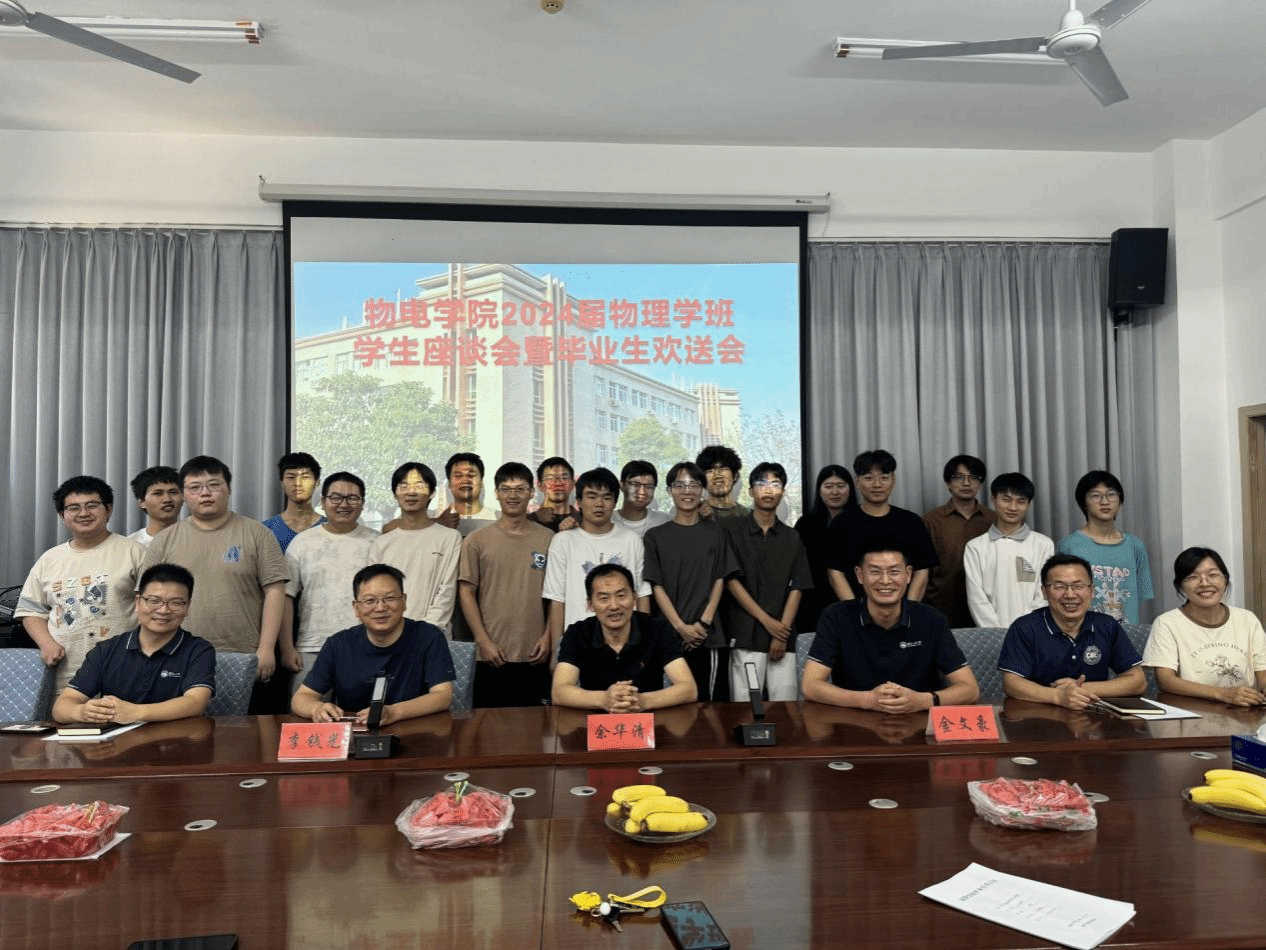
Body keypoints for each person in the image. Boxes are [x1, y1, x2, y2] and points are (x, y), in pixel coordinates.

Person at [141, 456, 288, 701]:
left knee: (243, 724)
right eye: (195, 487)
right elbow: (147, 600)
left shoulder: (258, 534)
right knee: (182, 723)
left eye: (214, 485)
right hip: (176, 655)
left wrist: (266, 649)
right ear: (184, 495)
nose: (205, 493)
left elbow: (275, 591)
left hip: (244, 654)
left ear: (228, 488)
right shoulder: (164, 540)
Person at [802, 537, 980, 710]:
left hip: (919, 720)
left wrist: (922, 701)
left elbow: (970, 689)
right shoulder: (836, 617)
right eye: (875, 572)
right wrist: (867, 700)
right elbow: (810, 685)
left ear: (908, 574)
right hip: (854, 719)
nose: (885, 581)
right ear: (860, 575)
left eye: (894, 572)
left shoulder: (931, 619)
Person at [16, 475, 145, 692]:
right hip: (63, 677)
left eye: (92, 505)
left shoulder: (135, 552)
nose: (83, 513)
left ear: (108, 509)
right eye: (73, 508)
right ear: (62, 515)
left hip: (124, 672)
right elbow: (30, 611)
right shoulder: (49, 559)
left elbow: (154, 608)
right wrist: (46, 644)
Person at [52, 563, 214, 725]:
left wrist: (135, 712)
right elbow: (61, 707)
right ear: (137, 602)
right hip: (116, 740)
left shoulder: (199, 650)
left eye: (176, 603)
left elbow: (196, 703)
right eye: (153, 601)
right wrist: (82, 712)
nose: (163, 610)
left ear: (187, 607)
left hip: (175, 739)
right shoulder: (106, 651)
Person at [292, 563, 454, 725]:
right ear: (356, 608)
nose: (380, 607)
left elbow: (443, 696)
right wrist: (317, 708)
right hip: (356, 733)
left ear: (404, 601)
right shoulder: (338, 645)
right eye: (370, 600)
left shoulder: (429, 637)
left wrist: (394, 712)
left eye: (390, 598)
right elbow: (301, 698)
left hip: (414, 729)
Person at [458, 462, 555, 707]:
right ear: (496, 493)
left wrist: (548, 636)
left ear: (532, 493)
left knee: (536, 727)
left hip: (535, 653)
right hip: (490, 654)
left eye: (520, 489)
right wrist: (482, 640)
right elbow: (466, 592)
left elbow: (556, 595)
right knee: (489, 727)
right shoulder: (476, 540)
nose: (513, 495)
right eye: (506, 489)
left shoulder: (549, 539)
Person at [999, 553, 1146, 708]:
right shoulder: (1025, 627)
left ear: (1092, 591)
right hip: (1040, 713)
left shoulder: (1107, 625)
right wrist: (1057, 696)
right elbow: (1011, 683)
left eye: (1078, 586)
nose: (1070, 595)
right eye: (1059, 587)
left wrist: (1079, 689)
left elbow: (1137, 681)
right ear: (1044, 592)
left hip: (1095, 715)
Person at [279, 471, 378, 694]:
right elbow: (286, 597)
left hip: (367, 646)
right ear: (323, 502)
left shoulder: (377, 542)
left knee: (363, 713)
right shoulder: (302, 543)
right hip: (312, 648)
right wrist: (287, 648)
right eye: (336, 497)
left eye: (352, 498)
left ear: (363, 503)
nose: (344, 504)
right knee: (306, 711)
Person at [644, 461, 735, 702]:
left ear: (702, 490)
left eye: (694, 485)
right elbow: (656, 585)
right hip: (668, 635)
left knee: (710, 706)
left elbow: (720, 578)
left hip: (709, 636)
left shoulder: (715, 532)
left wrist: (704, 624)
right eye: (680, 485)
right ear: (669, 491)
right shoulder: (655, 536)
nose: (687, 491)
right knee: (670, 705)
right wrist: (680, 627)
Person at [721, 462, 813, 701]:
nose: (768, 489)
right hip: (746, 634)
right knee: (745, 704)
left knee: (785, 705)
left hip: (782, 637)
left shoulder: (792, 537)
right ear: (750, 491)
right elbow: (731, 581)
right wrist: (767, 621)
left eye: (775, 484)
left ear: (783, 491)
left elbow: (798, 587)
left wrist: (780, 633)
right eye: (761, 483)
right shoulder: (733, 531)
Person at [552, 564, 697, 712]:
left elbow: (689, 688)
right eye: (604, 598)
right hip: (594, 722)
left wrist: (642, 701)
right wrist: (603, 699)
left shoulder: (657, 629)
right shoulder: (577, 634)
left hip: (650, 721)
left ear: (634, 598)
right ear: (590, 604)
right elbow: (559, 691)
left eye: (621, 596)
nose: (614, 606)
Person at [544, 467, 651, 654]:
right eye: (591, 497)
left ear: (615, 502)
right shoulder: (562, 541)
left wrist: (643, 646)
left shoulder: (631, 540)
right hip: (577, 643)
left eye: (607, 497)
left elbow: (642, 595)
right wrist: (556, 652)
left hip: (625, 644)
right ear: (579, 502)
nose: (599, 504)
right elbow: (557, 600)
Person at [1143, 547, 1266, 706]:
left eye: (1213, 575)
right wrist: (1222, 694)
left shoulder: (1247, 619)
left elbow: (1263, 674)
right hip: (1192, 711)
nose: (1205, 583)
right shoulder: (1167, 623)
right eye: (1193, 577)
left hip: (1244, 710)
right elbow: (1165, 680)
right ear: (1180, 586)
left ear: (1225, 580)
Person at [825, 449, 938, 603]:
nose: (877, 484)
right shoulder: (841, 523)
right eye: (868, 478)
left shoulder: (911, 521)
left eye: (884, 478)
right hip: (855, 609)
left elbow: (922, 570)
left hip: (903, 609)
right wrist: (854, 610)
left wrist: (909, 609)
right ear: (857, 482)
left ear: (893, 480)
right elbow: (835, 572)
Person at [368, 462, 462, 636]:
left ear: (432, 493)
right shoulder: (381, 543)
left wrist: (425, 631)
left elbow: (447, 591)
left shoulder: (450, 538)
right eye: (403, 486)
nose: (411, 492)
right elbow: (374, 592)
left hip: (433, 635)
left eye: (419, 486)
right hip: (389, 635)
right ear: (395, 494)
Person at [1056, 470, 1154, 624]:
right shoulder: (1069, 546)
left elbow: (1141, 594)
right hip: (1083, 631)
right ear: (1083, 503)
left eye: (1111, 494)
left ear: (1120, 501)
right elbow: (1060, 595)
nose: (1105, 501)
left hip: (1126, 631)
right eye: (1096, 496)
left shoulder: (1135, 546)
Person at [963, 472, 1054, 628]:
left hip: (1032, 631)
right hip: (992, 634)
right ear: (993, 499)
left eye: (1021, 501)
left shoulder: (1043, 544)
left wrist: (1025, 629)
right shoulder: (975, 547)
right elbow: (976, 598)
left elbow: (1043, 594)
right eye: (1006, 499)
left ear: (1029, 504)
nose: (1013, 507)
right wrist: (996, 633)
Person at [922, 454, 995, 627]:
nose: (966, 483)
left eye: (973, 478)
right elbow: (922, 569)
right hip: (941, 607)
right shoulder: (931, 520)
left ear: (980, 484)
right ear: (948, 483)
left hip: (987, 608)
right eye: (959, 477)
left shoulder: (993, 520)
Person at [793, 464, 856, 633]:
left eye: (841, 486)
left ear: (850, 489)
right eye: (828, 486)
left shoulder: (860, 522)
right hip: (812, 604)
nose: (835, 492)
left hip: (853, 600)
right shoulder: (805, 525)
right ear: (819, 491)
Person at [262, 451, 324, 553]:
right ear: (282, 483)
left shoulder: (330, 528)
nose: (297, 483)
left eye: (305, 477)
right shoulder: (266, 530)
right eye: (290, 477)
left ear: (317, 482)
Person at [435, 452, 499, 538]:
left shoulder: (499, 518)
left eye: (471, 475)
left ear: (481, 482)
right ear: (449, 483)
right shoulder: (434, 518)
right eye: (458, 476)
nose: (465, 480)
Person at [127, 465, 183, 547]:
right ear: (142, 502)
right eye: (158, 493)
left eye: (173, 492)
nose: (167, 499)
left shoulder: (197, 539)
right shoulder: (131, 544)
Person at [612, 459, 671, 537]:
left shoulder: (665, 521)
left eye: (649, 486)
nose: (642, 492)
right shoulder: (608, 521)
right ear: (622, 485)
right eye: (635, 485)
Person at [696, 444, 750, 519]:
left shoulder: (749, 516)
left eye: (723, 469)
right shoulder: (692, 515)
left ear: (735, 476)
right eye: (710, 470)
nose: (717, 475)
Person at [529, 456, 580, 532]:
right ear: (540, 485)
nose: (558, 483)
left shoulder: (583, 521)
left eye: (564, 478)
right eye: (550, 479)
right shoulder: (528, 521)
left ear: (573, 484)